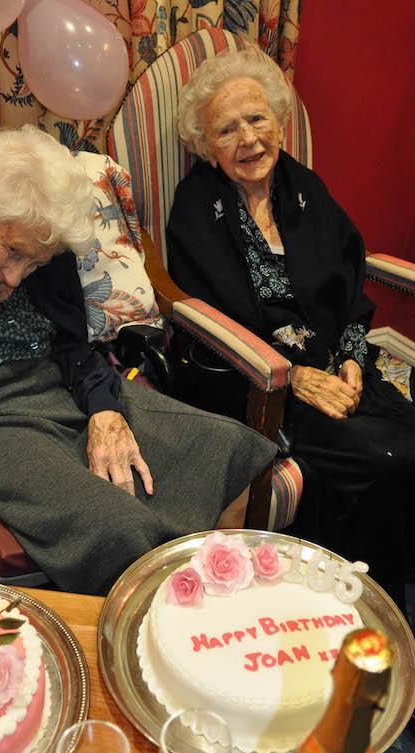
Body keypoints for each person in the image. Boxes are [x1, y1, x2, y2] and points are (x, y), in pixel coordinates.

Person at [0, 125, 276, 595]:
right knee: (118, 530)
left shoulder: (37, 226)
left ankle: (212, 620)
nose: (15, 278)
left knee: (231, 450)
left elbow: (73, 344)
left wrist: (103, 408)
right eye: (12, 252)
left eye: (33, 264)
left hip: (59, 384)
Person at [166, 46, 415, 612]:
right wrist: (295, 378)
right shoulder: (195, 208)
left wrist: (353, 357)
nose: (249, 139)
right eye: (227, 129)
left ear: (278, 120)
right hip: (261, 387)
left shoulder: (306, 189)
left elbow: (350, 287)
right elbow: (206, 327)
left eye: (257, 119)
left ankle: (387, 580)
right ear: (207, 146)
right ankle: (366, 599)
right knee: (384, 459)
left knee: (406, 439)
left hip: (340, 370)